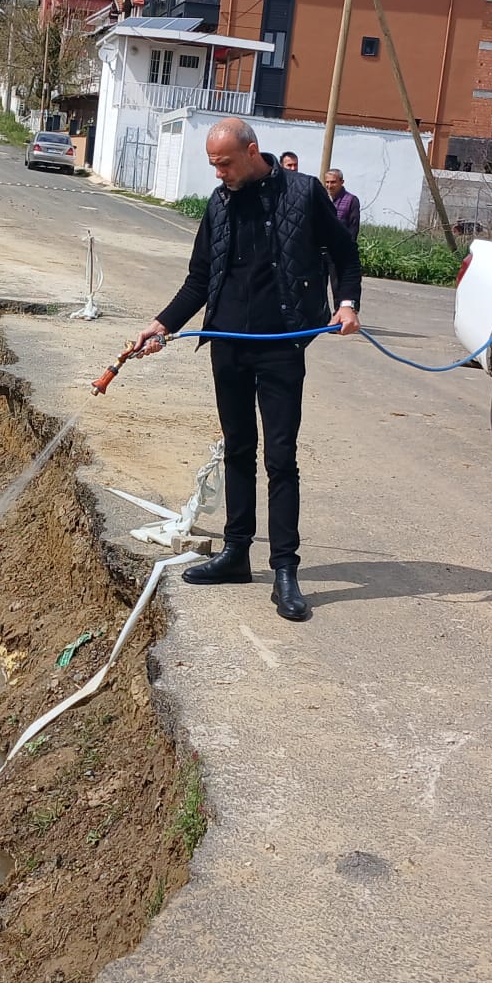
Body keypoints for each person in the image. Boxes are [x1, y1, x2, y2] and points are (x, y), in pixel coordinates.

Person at [134, 118, 361, 622]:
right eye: (213, 165)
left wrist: (346, 304)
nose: (219, 174)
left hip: (281, 343)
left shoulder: (303, 193)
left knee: (280, 457)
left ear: (253, 151)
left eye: (226, 163)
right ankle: (236, 553)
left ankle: (285, 570)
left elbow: (345, 253)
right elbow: (198, 280)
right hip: (228, 343)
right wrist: (162, 324)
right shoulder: (218, 205)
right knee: (237, 448)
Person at [324, 168, 361, 239]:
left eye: (333, 182)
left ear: (342, 182)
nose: (329, 186)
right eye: (327, 182)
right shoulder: (322, 199)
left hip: (342, 246)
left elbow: (353, 228)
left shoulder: (351, 200)